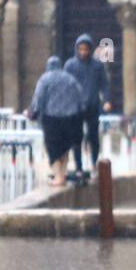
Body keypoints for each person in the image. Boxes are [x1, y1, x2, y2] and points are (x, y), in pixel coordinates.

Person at [27, 55, 86, 187]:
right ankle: (62, 174)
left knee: (53, 149)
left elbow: (38, 100)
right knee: (65, 147)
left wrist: (32, 113)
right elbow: (81, 99)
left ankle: (58, 177)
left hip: (51, 119)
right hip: (71, 119)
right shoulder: (70, 79)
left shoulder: (45, 79)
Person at [63, 33, 111, 180]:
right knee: (76, 138)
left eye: (86, 49)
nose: (83, 52)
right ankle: (78, 166)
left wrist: (107, 100)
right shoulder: (70, 65)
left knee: (93, 137)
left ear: (90, 49)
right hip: (76, 107)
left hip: (92, 105)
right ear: (77, 49)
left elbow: (104, 84)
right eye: (81, 49)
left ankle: (94, 163)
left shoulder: (97, 66)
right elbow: (66, 85)